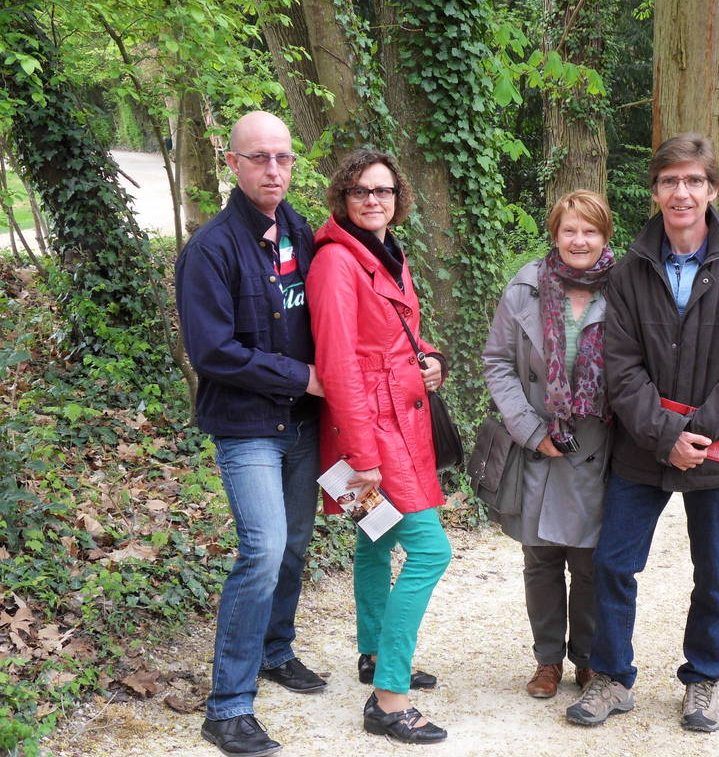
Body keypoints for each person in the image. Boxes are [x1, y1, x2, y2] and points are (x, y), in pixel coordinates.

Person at [565, 133, 719, 733]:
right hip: (643, 445)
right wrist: (666, 436)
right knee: (613, 562)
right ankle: (611, 676)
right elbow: (620, 366)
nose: (681, 192)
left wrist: (697, 435)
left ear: (712, 190)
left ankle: (704, 679)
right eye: (669, 181)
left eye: (693, 181)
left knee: (714, 570)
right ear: (655, 192)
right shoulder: (630, 271)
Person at [175, 111, 327, 757]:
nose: (273, 169)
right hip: (247, 428)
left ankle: (275, 650)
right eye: (259, 157)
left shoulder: (302, 233)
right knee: (263, 549)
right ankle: (229, 706)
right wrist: (303, 377)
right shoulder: (209, 250)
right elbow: (213, 351)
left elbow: (341, 311)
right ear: (232, 163)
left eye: (283, 157)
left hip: (303, 425)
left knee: (293, 546)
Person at [306, 148, 452, 745]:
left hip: (390, 423)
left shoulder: (386, 251)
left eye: (383, 190)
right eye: (361, 191)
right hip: (366, 436)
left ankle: (372, 653)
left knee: (376, 539)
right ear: (343, 198)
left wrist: (430, 357)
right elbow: (338, 365)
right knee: (431, 552)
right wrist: (362, 457)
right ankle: (389, 698)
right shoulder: (336, 262)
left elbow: (399, 335)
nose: (373, 200)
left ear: (397, 198)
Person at [482, 190, 616, 699]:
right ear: (555, 234)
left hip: (598, 446)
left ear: (604, 235)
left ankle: (587, 659)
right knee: (539, 561)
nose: (579, 240)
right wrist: (532, 431)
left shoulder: (626, 288)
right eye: (569, 230)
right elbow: (497, 361)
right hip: (538, 443)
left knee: (589, 563)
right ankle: (546, 661)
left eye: (590, 230)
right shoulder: (525, 287)